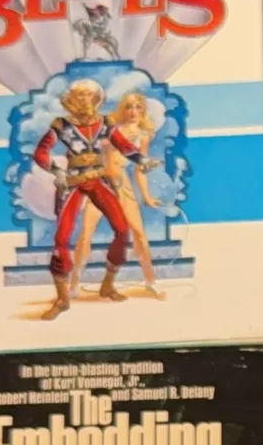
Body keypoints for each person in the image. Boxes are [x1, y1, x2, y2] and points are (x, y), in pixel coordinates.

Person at [31, 78, 137, 318]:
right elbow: (41, 152)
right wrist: (57, 171)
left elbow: (123, 145)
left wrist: (142, 160)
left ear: (96, 99)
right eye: (80, 95)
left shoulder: (106, 122)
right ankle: (62, 299)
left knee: (122, 230)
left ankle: (108, 284)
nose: (85, 100)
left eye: (89, 95)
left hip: (99, 179)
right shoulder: (61, 125)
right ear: (70, 99)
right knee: (62, 238)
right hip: (74, 181)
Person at [71, 89, 164, 296]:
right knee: (85, 234)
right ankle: (73, 285)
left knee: (139, 234)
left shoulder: (144, 136)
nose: (133, 111)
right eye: (129, 107)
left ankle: (151, 281)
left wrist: (147, 196)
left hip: (122, 185)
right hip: (100, 184)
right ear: (123, 109)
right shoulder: (109, 128)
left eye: (138, 107)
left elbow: (140, 169)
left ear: (143, 111)